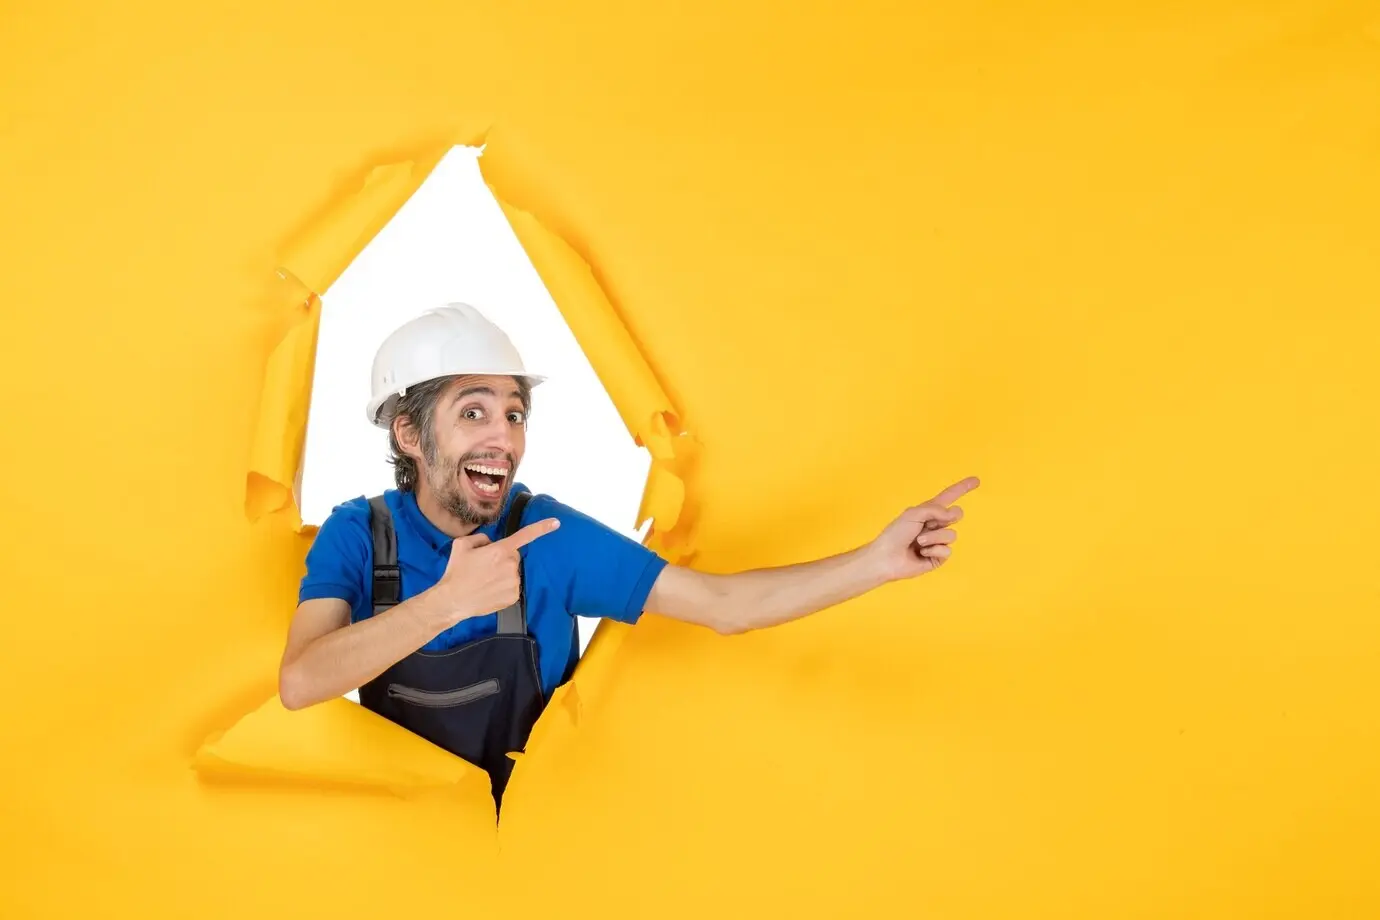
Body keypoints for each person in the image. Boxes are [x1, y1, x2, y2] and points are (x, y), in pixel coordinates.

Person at [278, 302, 979, 808]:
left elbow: (724, 605)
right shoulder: (359, 535)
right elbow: (301, 681)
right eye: (473, 412)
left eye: (514, 413)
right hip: (402, 846)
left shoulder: (549, 536)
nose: (504, 438)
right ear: (408, 434)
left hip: (537, 842)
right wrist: (448, 603)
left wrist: (876, 562)